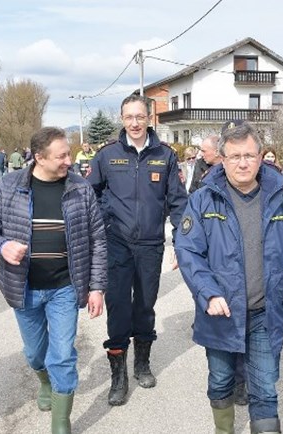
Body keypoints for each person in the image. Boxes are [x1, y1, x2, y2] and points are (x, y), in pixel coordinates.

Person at [175, 120, 283, 434]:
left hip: (266, 313)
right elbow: (188, 251)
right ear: (222, 158)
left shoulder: (279, 198)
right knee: (221, 380)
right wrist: (208, 292)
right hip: (220, 313)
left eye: (249, 155)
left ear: (261, 156)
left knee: (264, 387)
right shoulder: (204, 199)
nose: (243, 163)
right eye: (235, 156)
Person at [0, 127, 106, 433]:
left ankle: (61, 422)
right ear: (39, 158)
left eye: (68, 154)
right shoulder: (9, 187)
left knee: (62, 355)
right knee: (35, 353)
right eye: (61, 156)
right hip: (24, 288)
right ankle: (44, 382)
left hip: (65, 288)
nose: (68, 161)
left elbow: (98, 239)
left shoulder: (79, 188)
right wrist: (2, 246)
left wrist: (97, 287)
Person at [87, 94, 187, 406]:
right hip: (116, 244)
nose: (134, 123)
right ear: (122, 119)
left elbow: (178, 202)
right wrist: (104, 224)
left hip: (150, 245)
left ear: (149, 118)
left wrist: (181, 243)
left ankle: (142, 363)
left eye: (139, 117)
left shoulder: (165, 156)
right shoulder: (107, 156)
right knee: (118, 306)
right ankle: (118, 375)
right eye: (128, 117)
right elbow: (90, 194)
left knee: (145, 305)